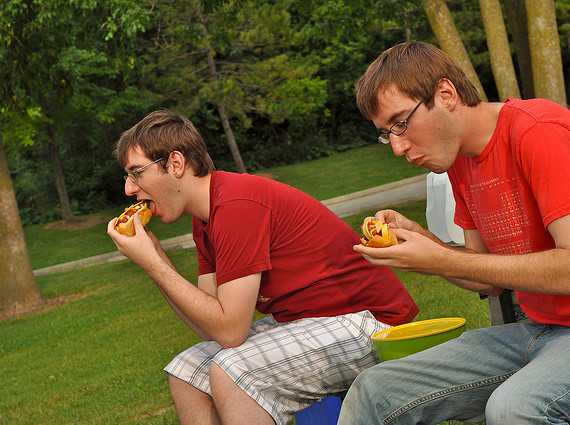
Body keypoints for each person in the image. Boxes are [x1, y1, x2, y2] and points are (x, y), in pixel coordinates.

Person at [337, 41, 570, 425]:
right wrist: (424, 243)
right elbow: (487, 278)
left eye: (401, 123)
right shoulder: (459, 159)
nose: (397, 147)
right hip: (541, 330)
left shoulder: (539, 131)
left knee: (514, 408)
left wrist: (437, 259)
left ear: (445, 94)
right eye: (386, 133)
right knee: (375, 390)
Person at [106, 110, 418, 425]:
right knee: (186, 372)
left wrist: (153, 265)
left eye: (136, 173)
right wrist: (156, 258)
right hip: (315, 322)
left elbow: (230, 331)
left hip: (374, 324)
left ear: (175, 163)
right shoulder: (205, 219)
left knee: (233, 371)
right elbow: (210, 326)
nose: (129, 189)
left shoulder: (236, 206)